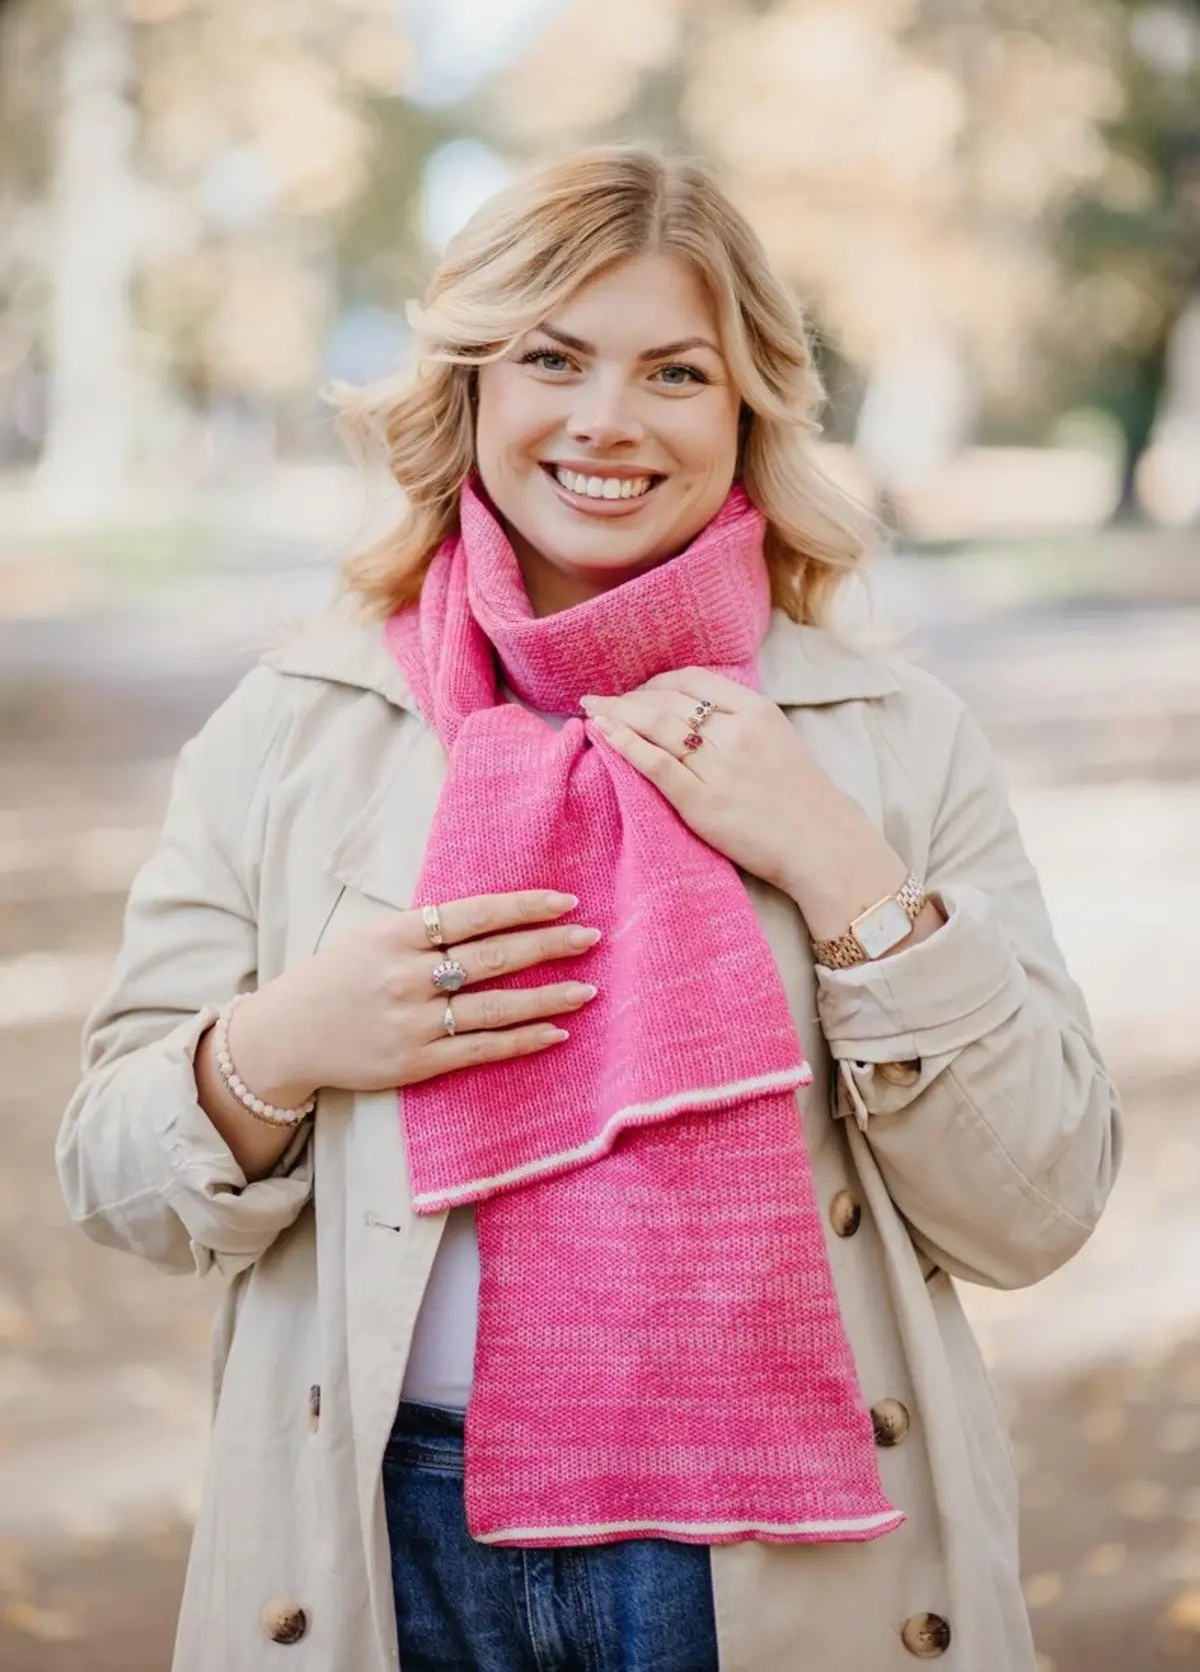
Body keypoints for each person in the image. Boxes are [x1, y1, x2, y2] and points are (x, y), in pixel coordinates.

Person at [55, 144, 1122, 1672]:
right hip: (383, 1534)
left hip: (771, 1560)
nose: (608, 421)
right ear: (472, 388)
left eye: (675, 371)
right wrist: (276, 1049)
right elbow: (114, 1184)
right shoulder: (298, 726)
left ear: (746, 406)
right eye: (552, 358)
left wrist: (839, 868)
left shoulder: (884, 735)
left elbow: (1038, 1206)